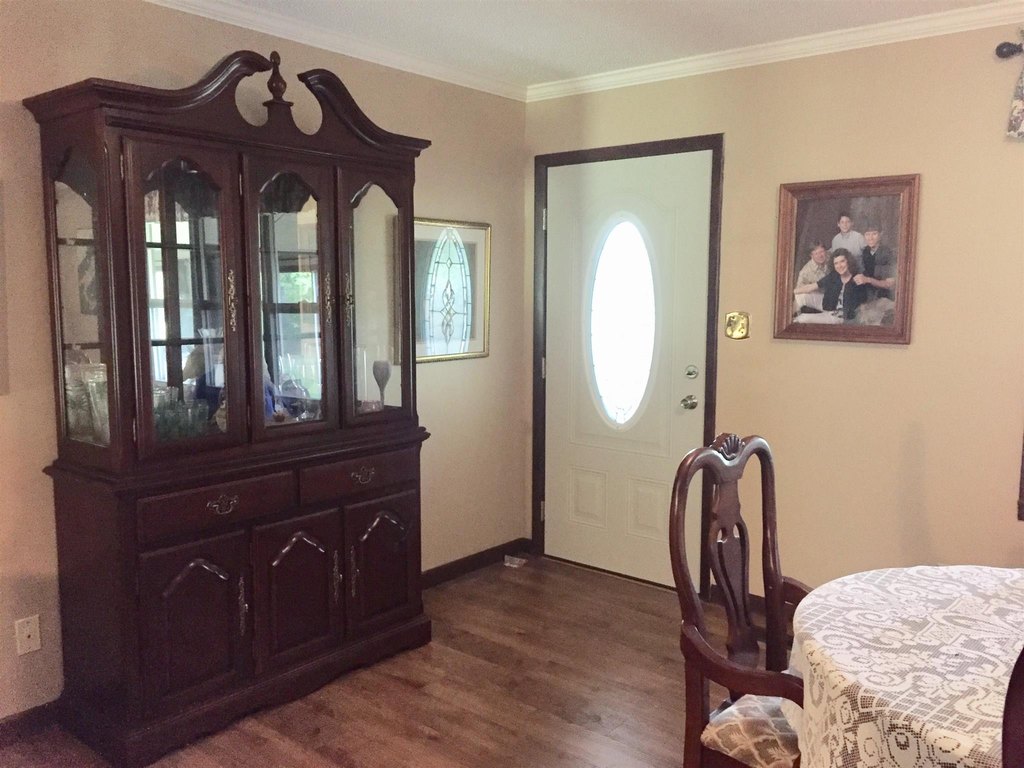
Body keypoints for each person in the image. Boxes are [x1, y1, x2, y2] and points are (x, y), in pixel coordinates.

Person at [793, 248, 866, 324]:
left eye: (842, 261)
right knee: (801, 296)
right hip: (828, 304)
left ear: (848, 261)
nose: (839, 266)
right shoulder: (834, 275)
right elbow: (812, 286)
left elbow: (859, 307)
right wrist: (791, 292)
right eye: (836, 263)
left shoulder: (857, 279)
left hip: (837, 317)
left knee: (802, 318)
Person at [855, 225, 896, 300]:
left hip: (885, 298)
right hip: (868, 296)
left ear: (880, 235)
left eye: (874, 234)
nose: (870, 238)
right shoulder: (864, 252)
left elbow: (890, 285)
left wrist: (868, 280)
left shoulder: (888, 253)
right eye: (867, 234)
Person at [792, 242, 830, 315]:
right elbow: (798, 292)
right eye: (816, 253)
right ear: (811, 256)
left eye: (821, 251)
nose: (820, 255)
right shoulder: (805, 272)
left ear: (825, 251)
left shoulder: (831, 258)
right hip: (820, 298)